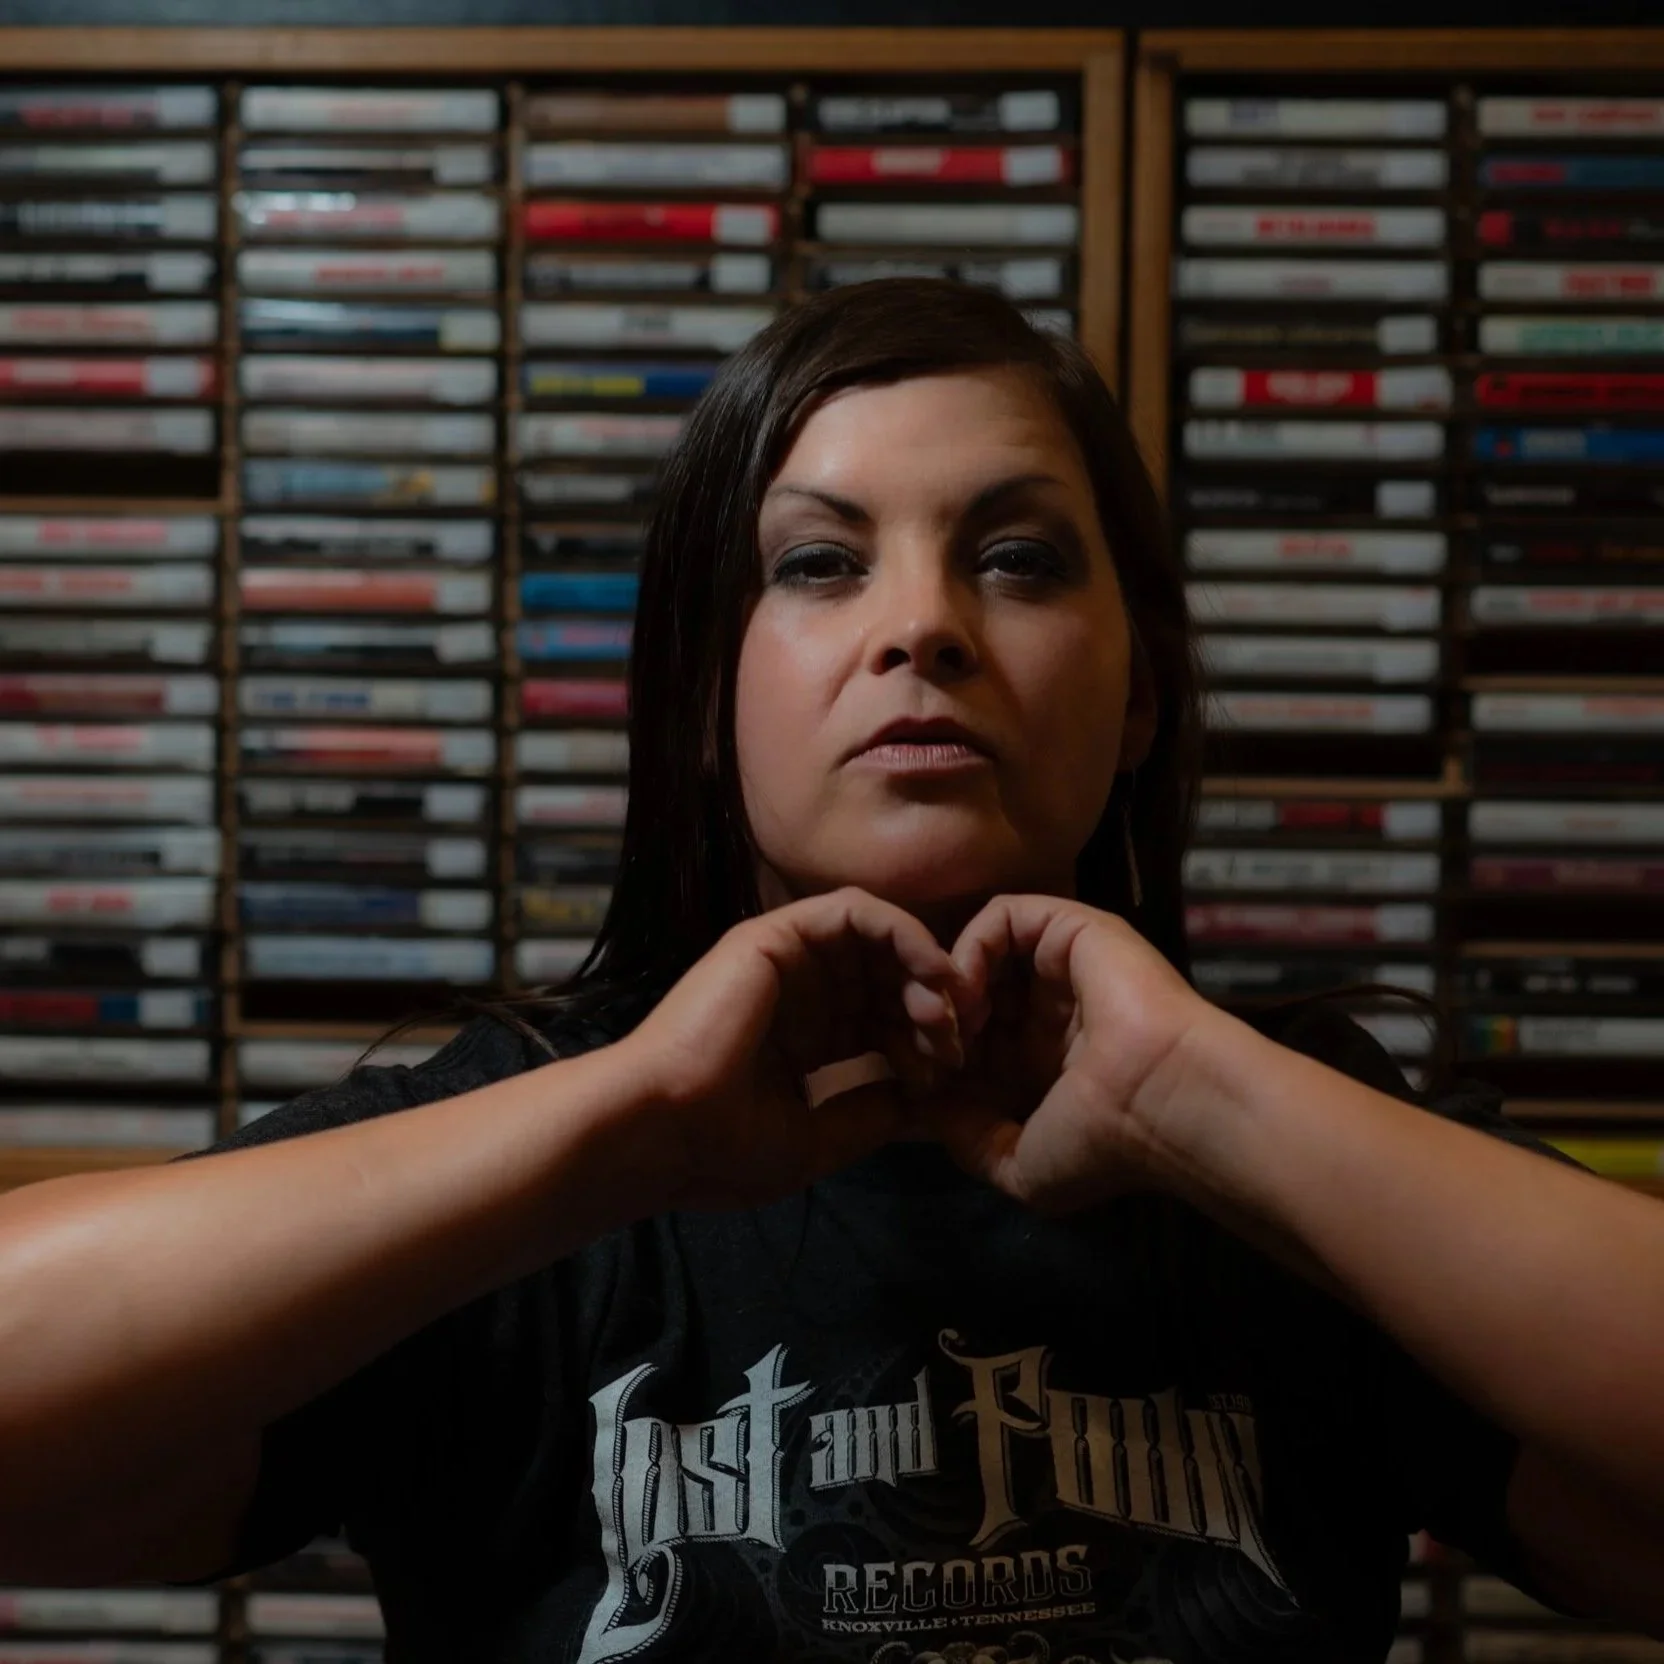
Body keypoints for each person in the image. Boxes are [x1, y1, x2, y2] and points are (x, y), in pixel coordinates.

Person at [0, 279, 1662, 1664]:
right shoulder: (521, 1160)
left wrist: (1200, 1101)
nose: (921, 626)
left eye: (1019, 558)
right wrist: (620, 1131)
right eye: (818, 563)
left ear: (1142, 697)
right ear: (701, 703)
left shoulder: (1305, 1156)